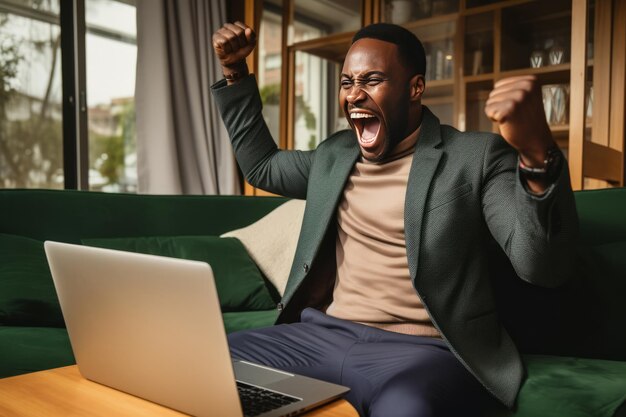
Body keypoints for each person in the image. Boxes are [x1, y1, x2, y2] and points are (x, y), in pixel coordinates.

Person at [211, 21, 578, 417]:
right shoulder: (333, 155)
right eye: (347, 81)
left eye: (372, 80)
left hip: (422, 351)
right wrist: (235, 73)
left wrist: (538, 153)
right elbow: (262, 166)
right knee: (209, 361)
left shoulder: (475, 157)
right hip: (322, 337)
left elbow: (541, 267)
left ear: (415, 88)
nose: (354, 94)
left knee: (405, 408)